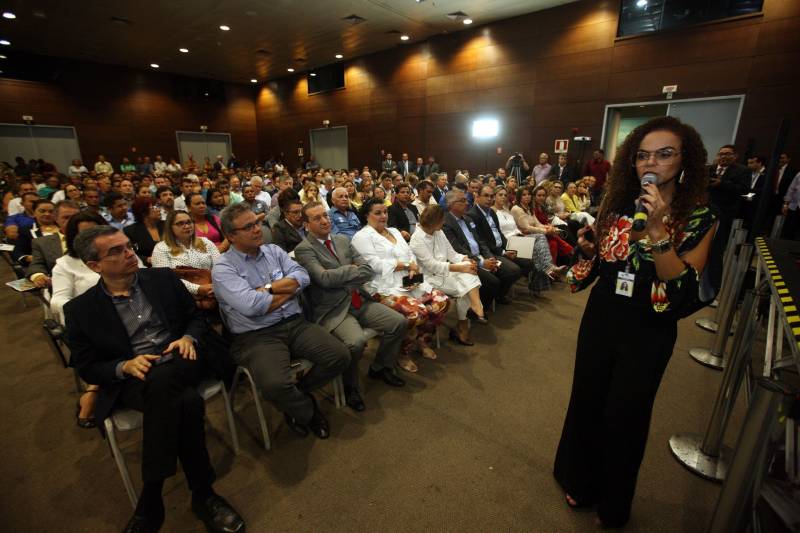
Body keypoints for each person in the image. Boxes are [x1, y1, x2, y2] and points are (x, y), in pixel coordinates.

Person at [554, 116, 717, 528]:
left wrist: (659, 229)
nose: (652, 163)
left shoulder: (700, 217)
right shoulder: (616, 202)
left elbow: (680, 287)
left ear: (685, 162)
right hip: (604, 313)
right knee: (588, 397)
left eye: (665, 154)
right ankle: (580, 480)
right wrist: (590, 249)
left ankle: (613, 502)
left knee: (626, 412)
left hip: (649, 325)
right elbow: (601, 262)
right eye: (643, 155)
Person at [64, 226, 245, 533]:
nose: (129, 253)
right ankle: (203, 494)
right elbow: (86, 365)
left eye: (128, 246)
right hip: (138, 378)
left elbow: (196, 318)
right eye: (116, 251)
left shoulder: (161, 279)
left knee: (166, 380)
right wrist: (123, 366)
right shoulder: (80, 310)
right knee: (184, 400)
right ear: (94, 265)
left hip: (184, 358)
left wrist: (188, 337)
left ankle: (151, 501)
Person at [212, 203, 350, 439]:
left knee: (340, 355)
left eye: (256, 222)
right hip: (256, 336)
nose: (257, 229)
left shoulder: (274, 251)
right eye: (248, 227)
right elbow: (252, 307)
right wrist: (289, 290)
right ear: (231, 236)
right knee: (275, 384)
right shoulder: (223, 268)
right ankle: (307, 411)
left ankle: (297, 394)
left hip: (295, 323)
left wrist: (267, 289)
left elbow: (303, 277)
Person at [294, 202, 407, 410]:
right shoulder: (303, 249)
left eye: (325, 216)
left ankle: (380, 367)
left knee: (398, 322)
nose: (324, 221)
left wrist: (345, 275)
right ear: (306, 225)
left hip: (359, 298)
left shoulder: (342, 240)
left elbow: (368, 269)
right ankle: (351, 386)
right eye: (316, 218)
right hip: (334, 309)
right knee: (355, 343)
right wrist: (351, 270)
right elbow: (324, 279)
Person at [352, 199, 450, 372]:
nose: (383, 216)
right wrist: (406, 266)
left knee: (441, 302)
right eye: (377, 213)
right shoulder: (361, 237)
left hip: (408, 280)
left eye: (385, 212)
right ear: (366, 216)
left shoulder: (395, 231)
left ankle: (421, 339)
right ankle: (403, 352)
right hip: (382, 287)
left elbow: (410, 254)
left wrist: (412, 268)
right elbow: (374, 265)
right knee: (416, 313)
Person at [50, 211, 108, 427]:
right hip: (91, 322)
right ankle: (95, 388)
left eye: (97, 231)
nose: (93, 238)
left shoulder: (119, 252)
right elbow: (59, 301)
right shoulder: (65, 264)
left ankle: (95, 388)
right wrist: (88, 312)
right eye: (86, 233)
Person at [410, 205, 485, 345]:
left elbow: (452, 254)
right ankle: (468, 316)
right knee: (466, 286)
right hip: (429, 278)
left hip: (446, 271)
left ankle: (473, 308)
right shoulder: (417, 239)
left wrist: (464, 259)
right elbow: (432, 265)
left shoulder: (438, 232)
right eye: (441, 220)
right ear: (433, 222)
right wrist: (459, 268)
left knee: (469, 271)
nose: (444, 223)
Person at [442, 189, 518, 309]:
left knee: (511, 271)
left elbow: (481, 242)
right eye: (462, 201)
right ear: (451, 204)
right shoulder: (446, 222)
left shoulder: (467, 219)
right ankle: (477, 309)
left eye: (466, 200)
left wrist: (489, 258)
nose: (467, 203)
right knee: (493, 282)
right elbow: (457, 249)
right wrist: (481, 263)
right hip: (466, 261)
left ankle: (494, 298)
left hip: (482, 256)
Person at [492, 186, 559, 291]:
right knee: (540, 240)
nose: (503, 197)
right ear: (494, 196)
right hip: (509, 242)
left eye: (505, 195)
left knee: (540, 249)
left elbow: (516, 227)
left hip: (519, 237)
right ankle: (548, 268)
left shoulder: (507, 210)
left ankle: (540, 281)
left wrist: (522, 234)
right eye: (500, 195)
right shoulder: (492, 212)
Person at [151, 210, 219, 298]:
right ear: (170, 227)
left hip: (213, 291)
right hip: (181, 296)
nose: (186, 226)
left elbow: (219, 267)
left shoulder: (205, 242)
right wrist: (198, 289)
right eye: (180, 223)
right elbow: (166, 278)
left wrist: (215, 286)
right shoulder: (161, 248)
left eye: (189, 222)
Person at [13, 198, 58, 264]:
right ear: (34, 213)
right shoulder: (26, 230)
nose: (47, 214)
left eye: (51, 211)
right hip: (39, 265)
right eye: (42, 211)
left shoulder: (64, 228)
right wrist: (29, 258)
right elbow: (18, 252)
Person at [124, 197, 164, 265]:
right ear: (143, 212)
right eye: (154, 207)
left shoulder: (167, 225)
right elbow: (130, 252)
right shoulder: (131, 231)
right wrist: (146, 259)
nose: (159, 209)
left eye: (158, 206)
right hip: (146, 267)